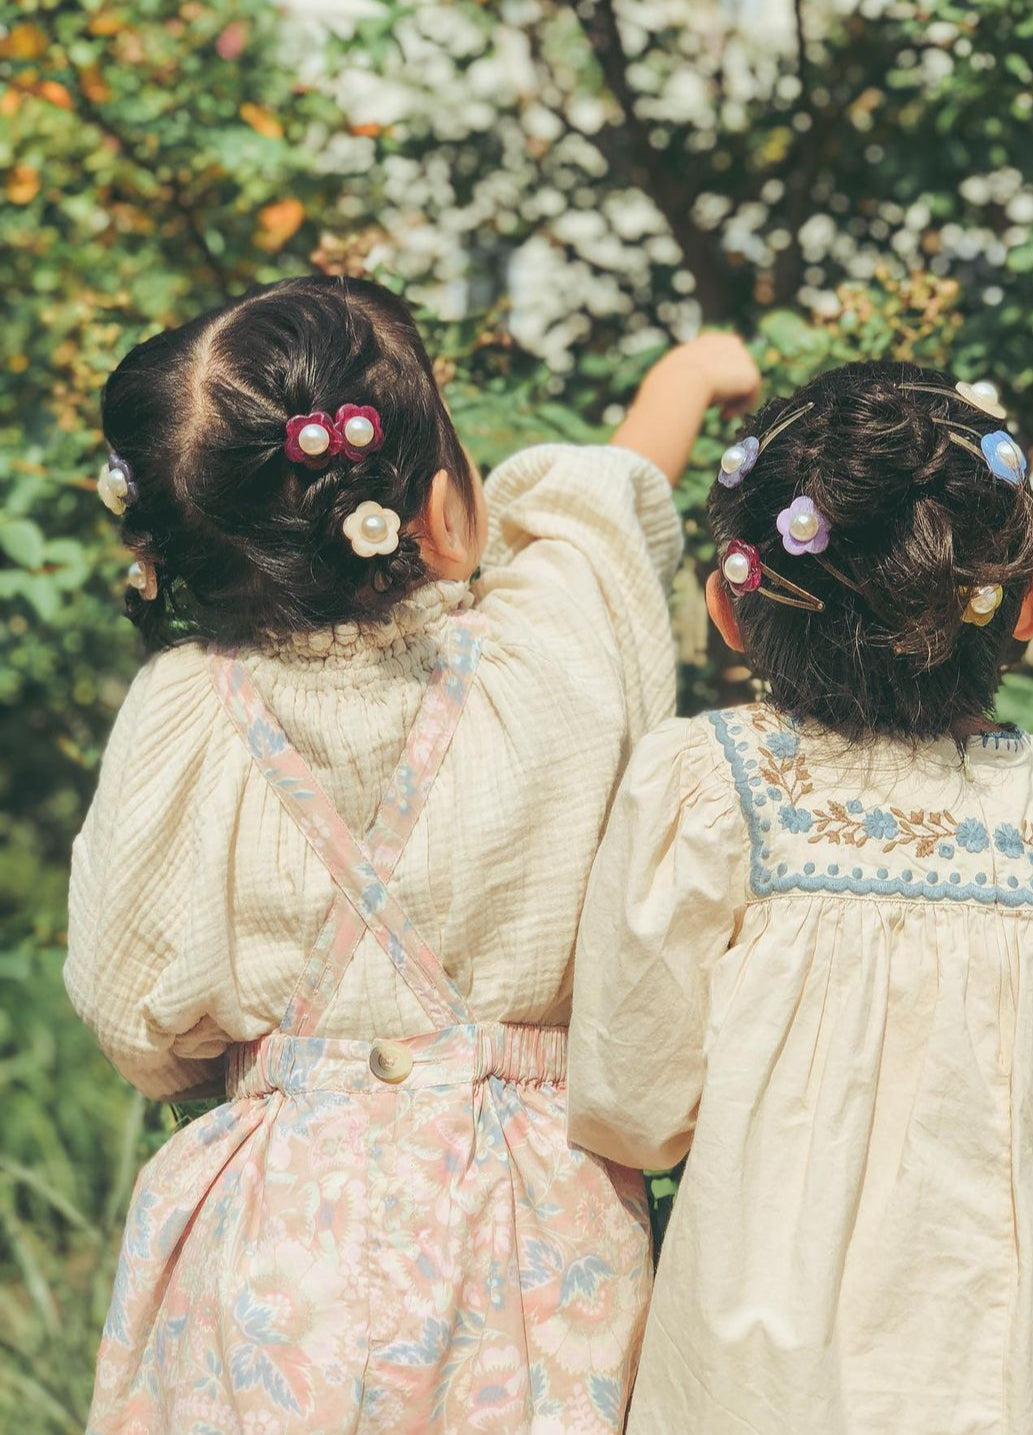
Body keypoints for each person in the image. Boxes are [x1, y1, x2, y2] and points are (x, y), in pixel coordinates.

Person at [65, 271, 761, 1434]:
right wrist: (689, 374)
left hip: (274, 1244)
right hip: (541, 1235)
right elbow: (603, 503)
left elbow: (126, 1006)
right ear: (439, 513)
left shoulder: (181, 710)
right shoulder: (556, 655)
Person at [568, 361, 1033, 1435]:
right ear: (1030, 597)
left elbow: (632, 1104)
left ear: (730, 613)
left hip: (773, 1393)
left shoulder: (714, 792)